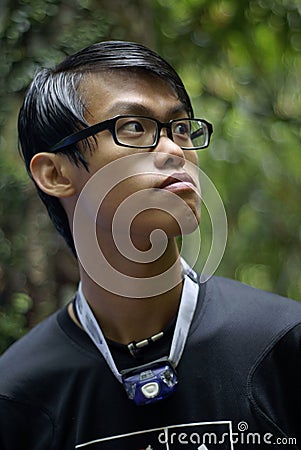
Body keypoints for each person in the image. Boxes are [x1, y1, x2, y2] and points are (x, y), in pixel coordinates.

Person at [0, 41, 300, 450]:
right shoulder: (17, 395)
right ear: (54, 172)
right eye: (135, 128)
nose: (175, 150)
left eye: (180, 128)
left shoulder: (282, 344)